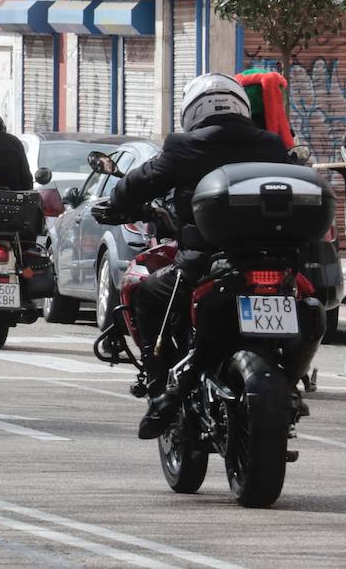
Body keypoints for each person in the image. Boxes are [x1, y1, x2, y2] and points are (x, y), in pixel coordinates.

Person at [103, 73, 293, 440]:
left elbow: (139, 181)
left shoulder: (184, 145)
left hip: (208, 261)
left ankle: (161, 387)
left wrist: (116, 204)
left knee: (146, 294)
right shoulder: (270, 143)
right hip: (277, 259)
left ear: (193, 110)